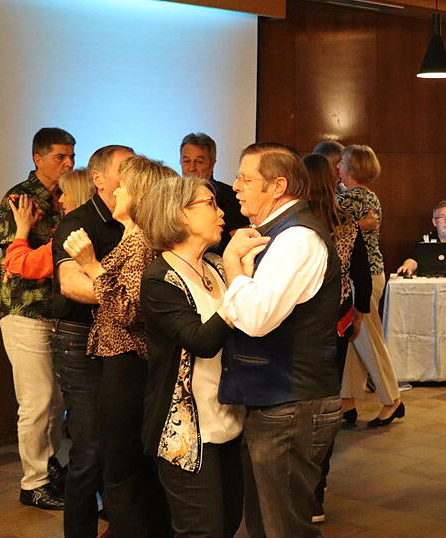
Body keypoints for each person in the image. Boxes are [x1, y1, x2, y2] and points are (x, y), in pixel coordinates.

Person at [219, 142, 342, 537]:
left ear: (278, 186)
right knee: (265, 524)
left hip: (291, 401)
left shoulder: (297, 239)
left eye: (245, 178)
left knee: (284, 529)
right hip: (276, 398)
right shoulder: (276, 233)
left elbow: (256, 319)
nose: (235, 186)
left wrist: (230, 267)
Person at [63, 156, 174, 536]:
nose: (116, 191)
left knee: (123, 471)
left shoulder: (141, 241)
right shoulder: (134, 238)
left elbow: (128, 308)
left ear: (138, 195)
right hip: (122, 361)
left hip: (128, 363)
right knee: (129, 470)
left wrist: (91, 264)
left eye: (123, 185)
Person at [140, 175, 246, 538]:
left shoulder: (215, 265)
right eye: (211, 205)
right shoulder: (160, 278)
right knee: (202, 530)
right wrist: (238, 288)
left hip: (229, 418)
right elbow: (201, 341)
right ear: (181, 215)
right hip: (186, 432)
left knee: (229, 521)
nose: (221, 213)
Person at [52, 144, 134, 537]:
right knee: (89, 449)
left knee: (122, 443)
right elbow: (71, 284)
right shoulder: (77, 223)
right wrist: (129, 294)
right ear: (98, 178)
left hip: (121, 341)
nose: (133, 172)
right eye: (125, 167)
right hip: (80, 339)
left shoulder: (135, 218)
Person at [0, 127, 75, 511]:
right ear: (37, 158)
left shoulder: (69, 198)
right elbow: (20, 258)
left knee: (55, 398)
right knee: (36, 399)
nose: (68, 164)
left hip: (58, 313)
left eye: (72, 156)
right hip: (25, 310)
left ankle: (49, 465)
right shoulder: (20, 198)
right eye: (60, 157)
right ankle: (34, 482)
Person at [303, 152, 372, 523]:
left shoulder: (295, 224)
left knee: (302, 405)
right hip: (339, 323)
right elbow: (362, 273)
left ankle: (305, 486)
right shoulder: (346, 221)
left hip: (299, 327)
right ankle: (318, 485)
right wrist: (359, 312)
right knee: (328, 403)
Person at [335, 144, 405, 427]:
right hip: (368, 275)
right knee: (353, 342)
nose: (336, 167)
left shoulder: (349, 198)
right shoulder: (367, 196)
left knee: (368, 340)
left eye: (340, 163)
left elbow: (329, 213)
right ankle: (347, 402)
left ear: (351, 168)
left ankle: (392, 400)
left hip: (363, 277)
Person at [3, 169, 94, 281]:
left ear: (78, 196)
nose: (60, 200)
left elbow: (18, 264)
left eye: (66, 193)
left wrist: (22, 229)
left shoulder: (73, 235)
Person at [180, 132, 250, 254]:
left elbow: (243, 244)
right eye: (186, 161)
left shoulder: (230, 196)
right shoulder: (172, 197)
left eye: (199, 162)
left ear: (212, 164)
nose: (191, 168)